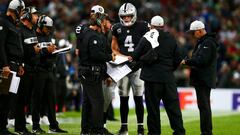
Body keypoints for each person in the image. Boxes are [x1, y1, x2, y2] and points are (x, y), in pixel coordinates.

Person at [130, 15, 186, 135]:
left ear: (151, 26)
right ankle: (179, 132)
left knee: (153, 110)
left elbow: (135, 55)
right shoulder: (171, 38)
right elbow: (178, 59)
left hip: (151, 80)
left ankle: (154, 133)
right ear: (163, 26)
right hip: (168, 79)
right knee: (174, 109)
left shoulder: (147, 37)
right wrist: (169, 70)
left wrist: (143, 58)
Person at [111, 3, 149, 135]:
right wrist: (124, 57)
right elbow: (114, 48)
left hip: (137, 67)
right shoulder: (116, 28)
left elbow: (148, 47)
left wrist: (137, 59)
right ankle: (124, 127)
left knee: (138, 97)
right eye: (124, 16)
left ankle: (140, 128)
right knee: (123, 97)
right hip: (122, 67)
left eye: (129, 16)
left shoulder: (143, 26)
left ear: (134, 15)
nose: (126, 18)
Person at [78, 12, 115, 134]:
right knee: (98, 102)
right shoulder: (93, 36)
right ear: (99, 22)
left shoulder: (87, 34)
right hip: (90, 73)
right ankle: (97, 130)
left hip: (88, 72)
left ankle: (86, 130)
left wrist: (104, 74)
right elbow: (95, 55)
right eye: (103, 21)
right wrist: (110, 57)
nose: (105, 24)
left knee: (88, 103)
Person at [31, 15, 67, 134]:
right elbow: (33, 56)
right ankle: (35, 126)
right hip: (38, 71)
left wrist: (54, 52)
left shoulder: (50, 36)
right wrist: (47, 52)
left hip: (49, 70)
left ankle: (53, 126)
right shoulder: (33, 36)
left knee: (52, 99)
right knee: (37, 99)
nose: (49, 30)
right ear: (40, 25)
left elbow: (54, 55)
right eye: (47, 27)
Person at [181, 20, 219, 135]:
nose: (192, 35)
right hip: (201, 79)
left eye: (193, 32)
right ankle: (206, 131)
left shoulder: (208, 43)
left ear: (200, 31)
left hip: (204, 79)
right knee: (203, 107)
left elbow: (202, 61)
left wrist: (186, 62)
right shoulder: (204, 42)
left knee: (204, 107)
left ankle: (206, 132)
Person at [0, 0, 25, 134]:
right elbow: (1, 45)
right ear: (15, 9)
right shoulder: (3, 22)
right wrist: (4, 65)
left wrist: (20, 64)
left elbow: (17, 47)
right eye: (21, 10)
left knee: (10, 99)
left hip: (15, 66)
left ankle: (3, 126)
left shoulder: (14, 25)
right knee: (3, 98)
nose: (21, 13)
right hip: (7, 66)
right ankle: (1, 127)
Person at [15, 6, 40, 135]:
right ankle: (19, 128)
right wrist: (33, 50)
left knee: (26, 100)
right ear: (28, 16)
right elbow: (18, 51)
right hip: (23, 69)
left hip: (32, 70)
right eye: (35, 15)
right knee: (21, 100)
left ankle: (22, 127)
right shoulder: (20, 31)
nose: (37, 17)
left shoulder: (33, 31)